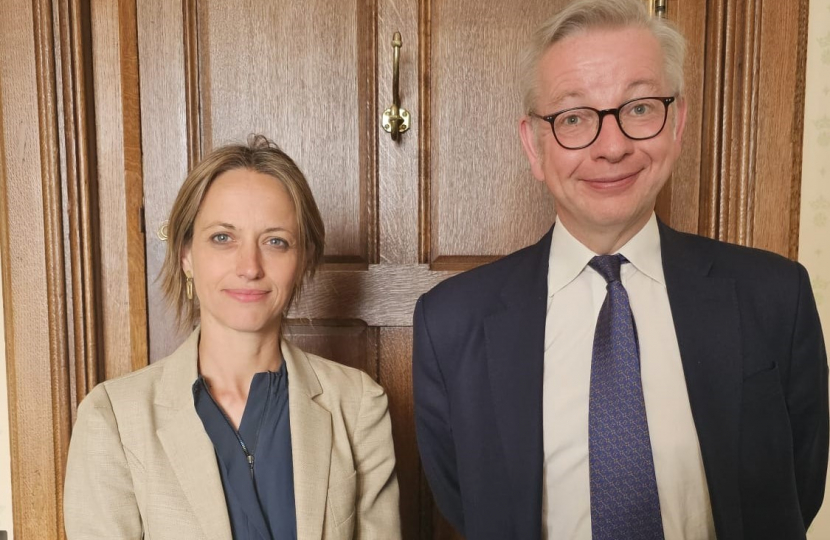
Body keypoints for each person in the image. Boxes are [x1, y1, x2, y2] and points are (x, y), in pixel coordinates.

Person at [412, 1, 828, 539]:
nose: (612, 147)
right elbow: (465, 501)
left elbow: (797, 487)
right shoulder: (451, 323)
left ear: (676, 124)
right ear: (534, 146)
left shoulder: (775, 296)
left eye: (638, 108)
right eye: (575, 117)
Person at [64, 135, 401, 539]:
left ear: (304, 259)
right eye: (223, 237)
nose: (250, 266)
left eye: (276, 241)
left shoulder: (358, 404)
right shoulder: (113, 418)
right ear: (186, 253)